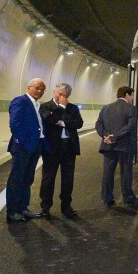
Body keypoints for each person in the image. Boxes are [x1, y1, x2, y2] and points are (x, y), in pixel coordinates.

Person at [39, 83, 83, 218]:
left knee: (68, 178)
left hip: (69, 147)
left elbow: (78, 123)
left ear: (68, 95)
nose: (60, 96)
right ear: (54, 92)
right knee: (48, 178)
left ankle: (66, 206)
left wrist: (63, 122)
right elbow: (50, 119)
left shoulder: (73, 108)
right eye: (59, 93)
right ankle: (45, 207)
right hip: (52, 148)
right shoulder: (46, 106)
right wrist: (61, 107)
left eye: (63, 95)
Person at [5, 78, 47, 223]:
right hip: (23, 147)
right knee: (16, 179)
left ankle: (23, 207)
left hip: (35, 146)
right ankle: (12, 211)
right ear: (29, 87)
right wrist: (23, 143)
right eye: (37, 88)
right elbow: (15, 124)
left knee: (28, 179)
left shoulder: (36, 104)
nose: (40, 91)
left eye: (42, 89)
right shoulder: (20, 101)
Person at [95, 86, 138, 208]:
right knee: (126, 172)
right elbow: (130, 126)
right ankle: (128, 199)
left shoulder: (106, 108)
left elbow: (98, 125)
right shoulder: (131, 108)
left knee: (108, 172)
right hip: (125, 146)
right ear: (127, 95)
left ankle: (107, 198)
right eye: (132, 95)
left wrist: (107, 136)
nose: (132, 98)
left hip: (108, 146)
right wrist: (114, 137)